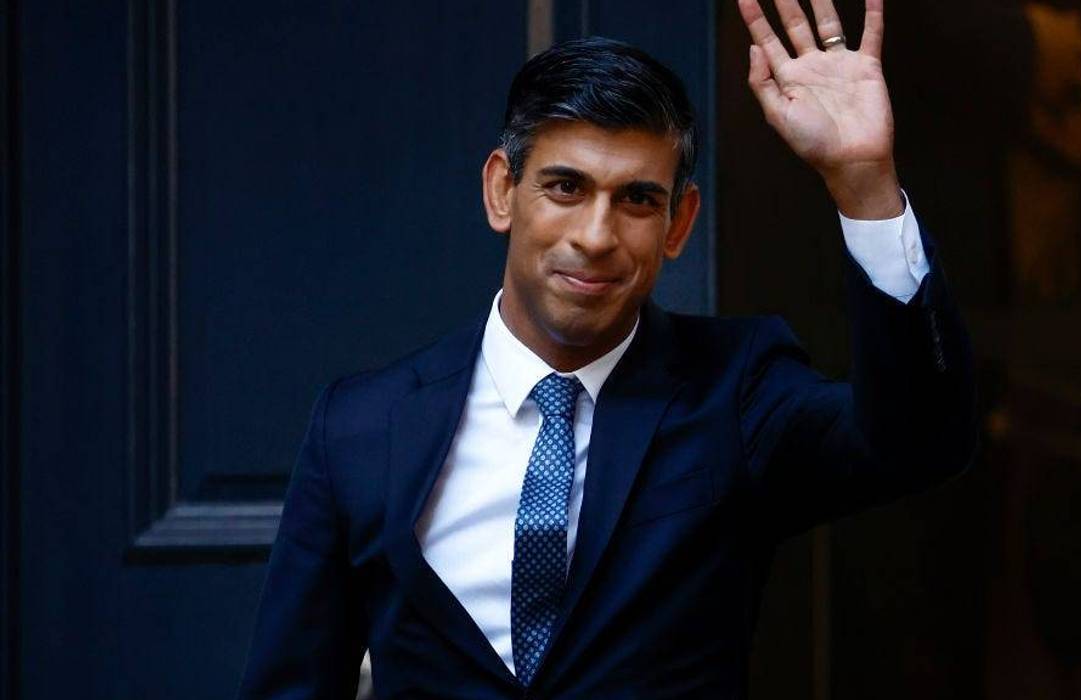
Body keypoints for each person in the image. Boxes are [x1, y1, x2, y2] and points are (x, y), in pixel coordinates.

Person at [237, 0, 975, 697]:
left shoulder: (736, 391)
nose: (595, 236)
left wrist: (862, 182)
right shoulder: (361, 426)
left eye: (636, 200)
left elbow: (917, 443)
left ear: (678, 223)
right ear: (502, 191)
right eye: (564, 187)